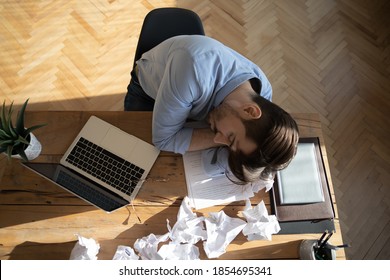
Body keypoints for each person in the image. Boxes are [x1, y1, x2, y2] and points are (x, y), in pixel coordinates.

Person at [125, 35, 299, 184]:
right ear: (250, 111)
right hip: (147, 90)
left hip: (185, 97)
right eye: (230, 138)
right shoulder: (192, 71)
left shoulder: (263, 92)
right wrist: (221, 142)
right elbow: (163, 140)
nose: (217, 138)